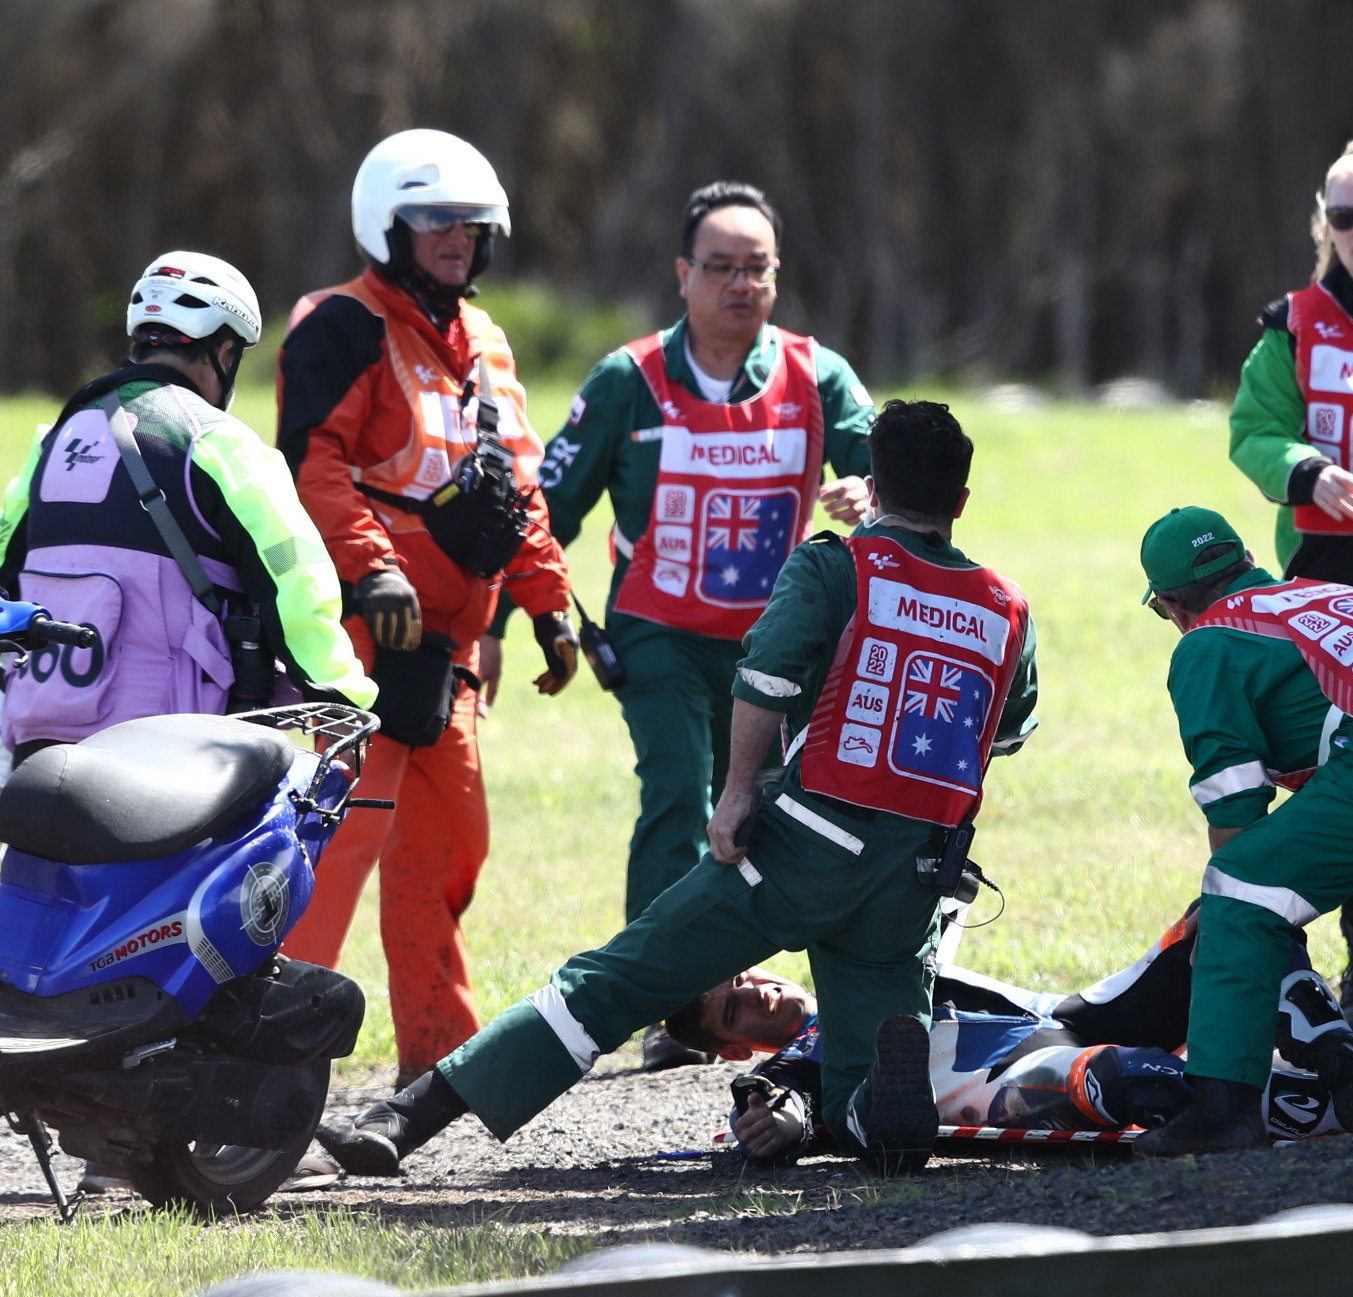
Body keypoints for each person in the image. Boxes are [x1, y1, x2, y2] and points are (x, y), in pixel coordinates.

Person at [315, 398, 1038, 1180]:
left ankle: (401, 1119)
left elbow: (762, 675)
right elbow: (1004, 730)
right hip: (915, 873)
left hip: (806, 844)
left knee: (619, 976)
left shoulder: (839, 564)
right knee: (867, 1050)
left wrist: (733, 796)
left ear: (873, 482)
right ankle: (872, 1115)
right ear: (959, 502)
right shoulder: (1005, 605)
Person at [0, 249, 377, 1191]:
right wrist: (345, 690)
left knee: (63, 908)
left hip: (48, 721)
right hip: (166, 732)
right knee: (165, 914)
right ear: (222, 351)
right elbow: (296, 570)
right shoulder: (215, 438)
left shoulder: (57, 437)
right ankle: (131, 1100)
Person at [535, 181, 877, 1069]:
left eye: (754, 268)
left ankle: (769, 1001)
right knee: (678, 795)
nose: (738, 284)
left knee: (768, 807)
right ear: (683, 275)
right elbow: (546, 509)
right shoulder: (627, 380)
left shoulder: (816, 373)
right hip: (658, 634)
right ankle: (659, 1004)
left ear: (775, 276)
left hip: (778, 643)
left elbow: (889, 471)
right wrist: (519, 618)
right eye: (719, 267)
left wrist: (865, 495)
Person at [275, 129, 578, 1086]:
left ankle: (436, 1066)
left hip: (448, 650)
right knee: (336, 846)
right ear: (388, 223)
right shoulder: (339, 324)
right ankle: (262, 1060)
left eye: (471, 223)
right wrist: (373, 570)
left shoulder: (484, 343)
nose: (457, 236)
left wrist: (548, 601)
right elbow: (312, 461)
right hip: (365, 645)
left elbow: (514, 487)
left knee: (451, 845)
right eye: (436, 219)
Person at [669, 909, 1353, 1163]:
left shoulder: (865, 950)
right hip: (1018, 1077)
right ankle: (1326, 1105)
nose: (757, 991)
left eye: (744, 976)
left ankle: (1340, 1058)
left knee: (1230, 915)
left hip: (1073, 1011)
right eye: (735, 1011)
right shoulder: (795, 1061)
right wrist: (776, 1126)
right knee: (1126, 1076)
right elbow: (770, 1102)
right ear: (732, 1046)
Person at [1132, 505, 1353, 1156]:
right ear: (1244, 563)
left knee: (1236, 889)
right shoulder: (1329, 592)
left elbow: (1234, 806)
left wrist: (1236, 921)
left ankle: (1222, 1109)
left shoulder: (1207, 642)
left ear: (1172, 605)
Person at [1229, 135, 1353, 1023]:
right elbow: (1253, 430)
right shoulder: (1293, 326)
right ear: (1324, 224)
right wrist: (1305, 469)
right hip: (1329, 574)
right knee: (1341, 773)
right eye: (1346, 215)